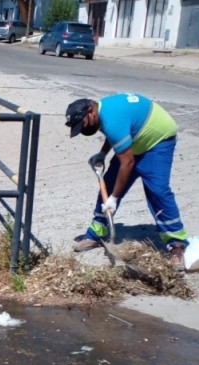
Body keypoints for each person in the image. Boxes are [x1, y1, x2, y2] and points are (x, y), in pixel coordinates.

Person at [65, 93, 189, 271]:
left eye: (82, 124)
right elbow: (115, 133)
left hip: (158, 141)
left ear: (91, 111)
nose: (83, 129)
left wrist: (114, 198)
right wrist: (103, 153)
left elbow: (128, 162)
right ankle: (97, 233)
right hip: (137, 139)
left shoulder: (111, 119)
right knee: (106, 184)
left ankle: (177, 245)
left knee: (158, 191)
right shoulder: (102, 114)